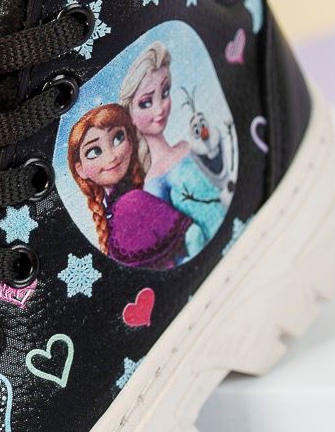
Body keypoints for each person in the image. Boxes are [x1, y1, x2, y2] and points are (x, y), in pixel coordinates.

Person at [120, 43, 226, 258]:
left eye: (165, 92)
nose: (160, 108)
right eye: (146, 103)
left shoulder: (186, 146)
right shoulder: (153, 183)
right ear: (130, 116)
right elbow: (177, 244)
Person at [67, 103, 188, 270]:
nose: (111, 157)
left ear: (130, 142)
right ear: (80, 169)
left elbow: (191, 240)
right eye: (94, 152)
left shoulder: (133, 202)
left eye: (118, 138)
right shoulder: (113, 212)